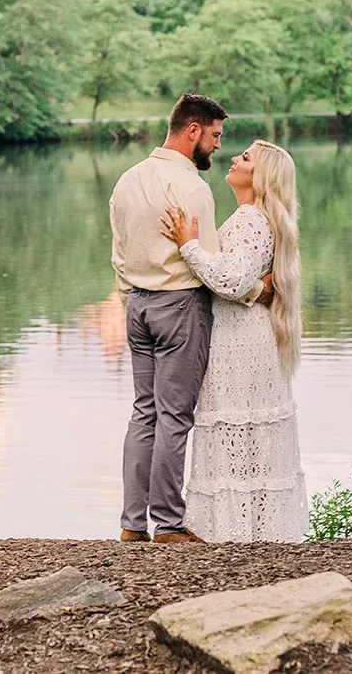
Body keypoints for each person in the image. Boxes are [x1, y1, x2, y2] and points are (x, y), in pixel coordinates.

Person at [110, 94, 264, 543]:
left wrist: (132, 299)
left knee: (144, 414)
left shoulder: (127, 180)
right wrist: (258, 289)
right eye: (215, 135)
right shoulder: (193, 188)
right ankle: (169, 525)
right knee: (175, 417)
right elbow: (212, 267)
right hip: (180, 307)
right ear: (193, 130)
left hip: (138, 306)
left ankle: (131, 525)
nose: (217, 146)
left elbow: (118, 254)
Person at [161, 139, 307, 543]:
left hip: (241, 342)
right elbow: (250, 281)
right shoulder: (260, 217)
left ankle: (236, 533)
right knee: (247, 436)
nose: (234, 159)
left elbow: (231, 280)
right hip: (251, 337)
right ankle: (252, 531)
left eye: (244, 158)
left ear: (260, 177)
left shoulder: (249, 219)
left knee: (237, 431)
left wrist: (188, 245)